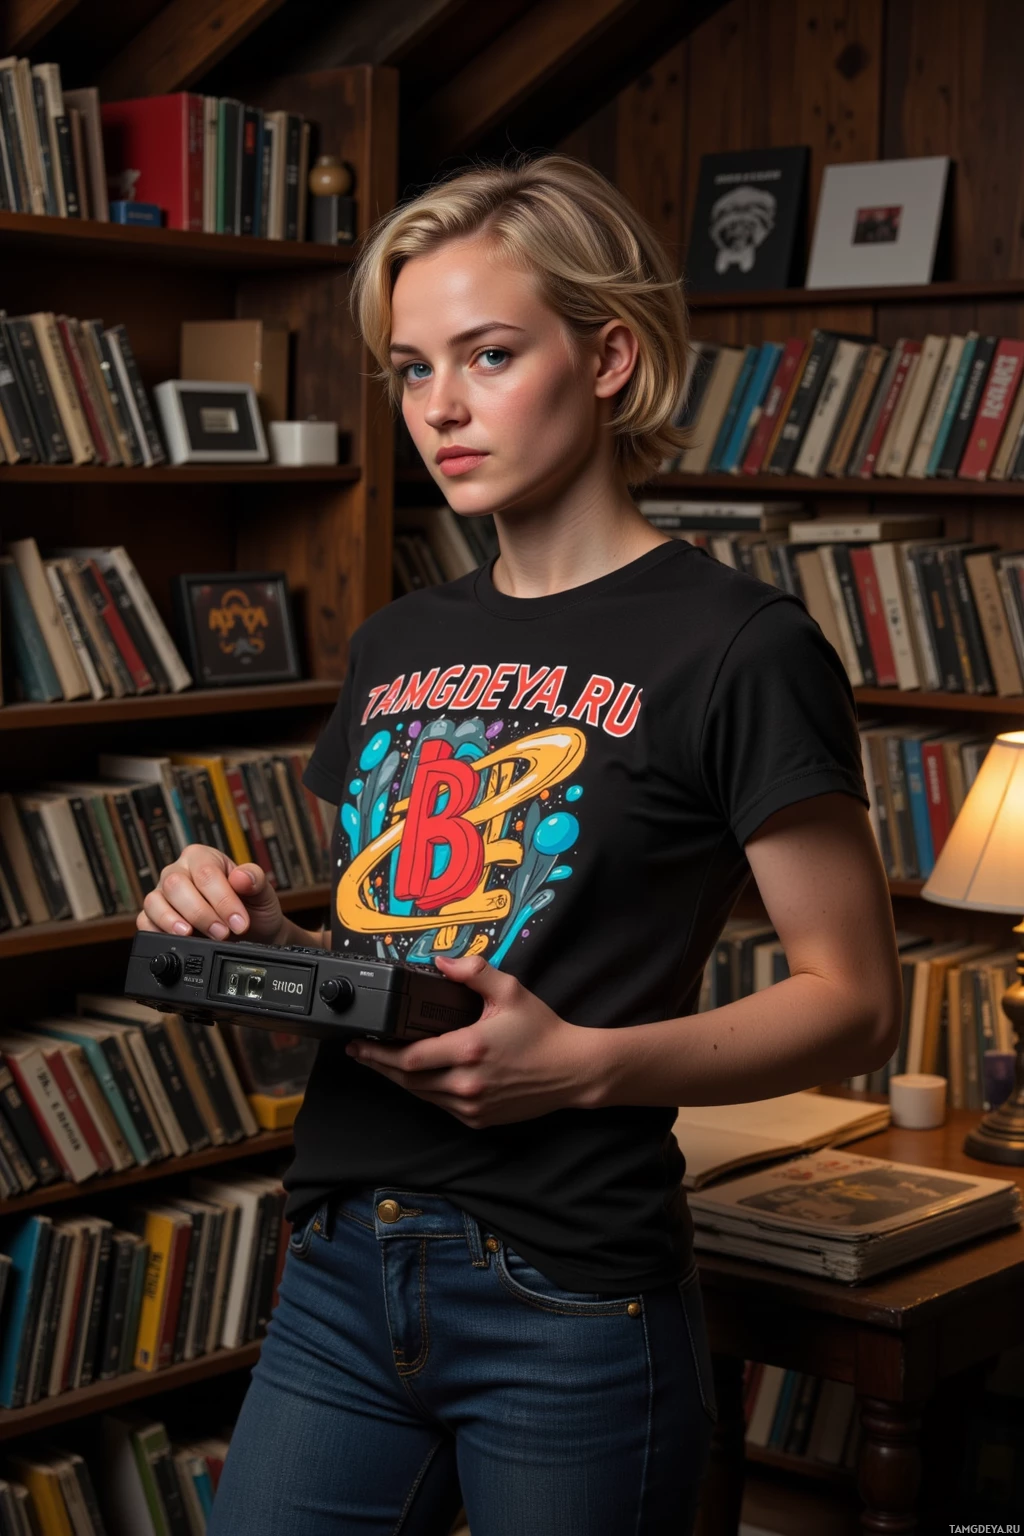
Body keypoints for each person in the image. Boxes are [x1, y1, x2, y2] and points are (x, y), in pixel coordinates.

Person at [142, 154, 903, 1535]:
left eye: (488, 356)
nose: (441, 407)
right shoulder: (399, 640)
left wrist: (583, 1067)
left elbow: (852, 1002)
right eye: (412, 367)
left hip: (570, 1290)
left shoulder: (739, 648)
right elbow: (398, 972)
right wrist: (253, 947)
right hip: (339, 1267)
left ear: (608, 356)